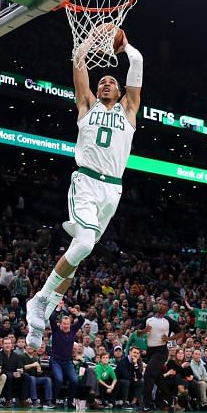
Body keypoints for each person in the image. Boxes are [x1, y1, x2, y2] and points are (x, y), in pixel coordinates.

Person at [25, 30, 143, 348]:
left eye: (111, 82)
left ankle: (39, 322)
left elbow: (139, 63)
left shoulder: (129, 112)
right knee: (85, 244)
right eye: (101, 81)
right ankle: (38, 301)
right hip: (87, 182)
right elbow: (79, 64)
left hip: (113, 191)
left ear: (120, 92)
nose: (105, 83)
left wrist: (127, 47)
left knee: (78, 256)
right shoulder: (86, 105)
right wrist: (88, 40)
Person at [138, 298, 185, 413]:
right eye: (160, 303)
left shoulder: (169, 321)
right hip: (150, 352)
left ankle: (146, 404)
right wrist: (144, 330)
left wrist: (169, 339)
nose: (161, 305)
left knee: (148, 374)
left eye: (164, 304)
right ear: (156, 305)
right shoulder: (148, 319)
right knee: (157, 379)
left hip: (161, 351)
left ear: (167, 308)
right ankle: (171, 399)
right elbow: (138, 333)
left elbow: (181, 333)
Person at [48, 306, 85, 409]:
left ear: (70, 324)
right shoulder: (56, 330)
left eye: (68, 324)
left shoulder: (73, 329)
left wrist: (76, 313)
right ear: (61, 324)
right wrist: (58, 309)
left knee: (74, 380)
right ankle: (53, 401)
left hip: (68, 362)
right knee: (59, 380)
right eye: (64, 324)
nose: (66, 326)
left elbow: (81, 320)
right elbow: (52, 319)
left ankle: (69, 402)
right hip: (55, 361)